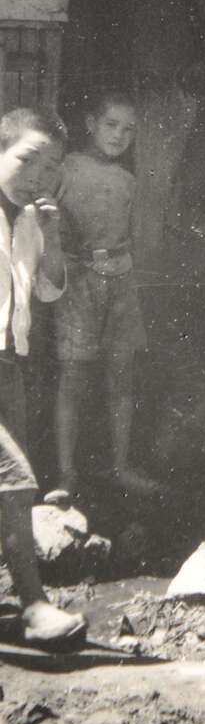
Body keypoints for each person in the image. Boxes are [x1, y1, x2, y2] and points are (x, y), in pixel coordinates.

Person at [0, 108, 86, 650]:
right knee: (15, 481)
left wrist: (52, 236)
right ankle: (33, 606)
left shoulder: (33, 220)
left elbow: (51, 291)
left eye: (50, 165)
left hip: (11, 365)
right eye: (27, 158)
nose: (37, 174)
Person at [47, 92, 157, 505]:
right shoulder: (66, 168)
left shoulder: (128, 180)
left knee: (121, 376)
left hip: (122, 283)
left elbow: (134, 234)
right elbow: (49, 223)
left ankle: (121, 467)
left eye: (129, 129)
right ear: (91, 122)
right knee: (72, 377)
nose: (120, 135)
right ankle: (65, 474)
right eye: (112, 124)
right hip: (78, 284)